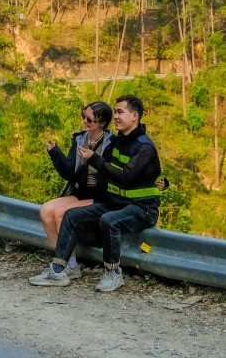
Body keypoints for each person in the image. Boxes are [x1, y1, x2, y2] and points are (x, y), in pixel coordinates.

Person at [29, 94, 161, 293]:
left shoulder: (144, 146)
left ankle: (113, 273)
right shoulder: (119, 141)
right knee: (72, 215)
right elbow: (97, 172)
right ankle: (58, 270)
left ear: (134, 116)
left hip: (142, 208)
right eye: (115, 112)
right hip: (117, 202)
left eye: (120, 112)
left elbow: (126, 177)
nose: (116, 116)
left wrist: (93, 159)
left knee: (109, 220)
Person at [38, 101, 114, 279]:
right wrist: (55, 152)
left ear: (101, 123)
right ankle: (69, 263)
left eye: (89, 119)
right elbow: (69, 172)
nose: (85, 122)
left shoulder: (111, 143)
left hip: (100, 195)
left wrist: (93, 159)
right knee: (46, 210)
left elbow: (111, 173)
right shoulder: (80, 139)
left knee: (60, 213)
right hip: (80, 192)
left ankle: (64, 265)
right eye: (83, 116)